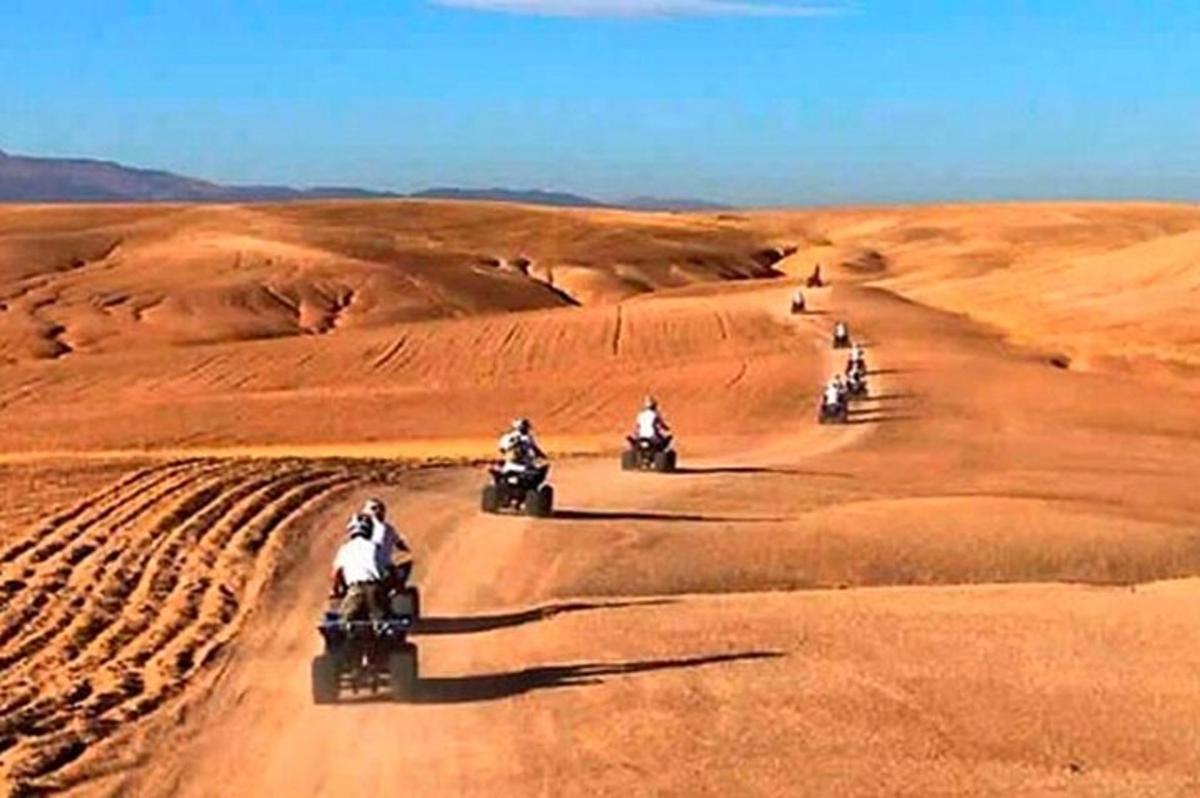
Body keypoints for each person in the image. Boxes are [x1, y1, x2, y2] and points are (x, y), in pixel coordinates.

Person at [330, 514, 388, 622]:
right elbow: (388, 568)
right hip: (375, 590)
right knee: (383, 622)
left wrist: (335, 590)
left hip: (355, 590)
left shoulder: (345, 549)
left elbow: (336, 573)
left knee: (343, 623)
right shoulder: (375, 547)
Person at [357, 498, 413, 587]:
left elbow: (399, 543)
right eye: (375, 508)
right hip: (384, 570)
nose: (378, 511)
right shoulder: (386, 528)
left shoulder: (359, 530)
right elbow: (399, 544)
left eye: (380, 508)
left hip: (361, 571)